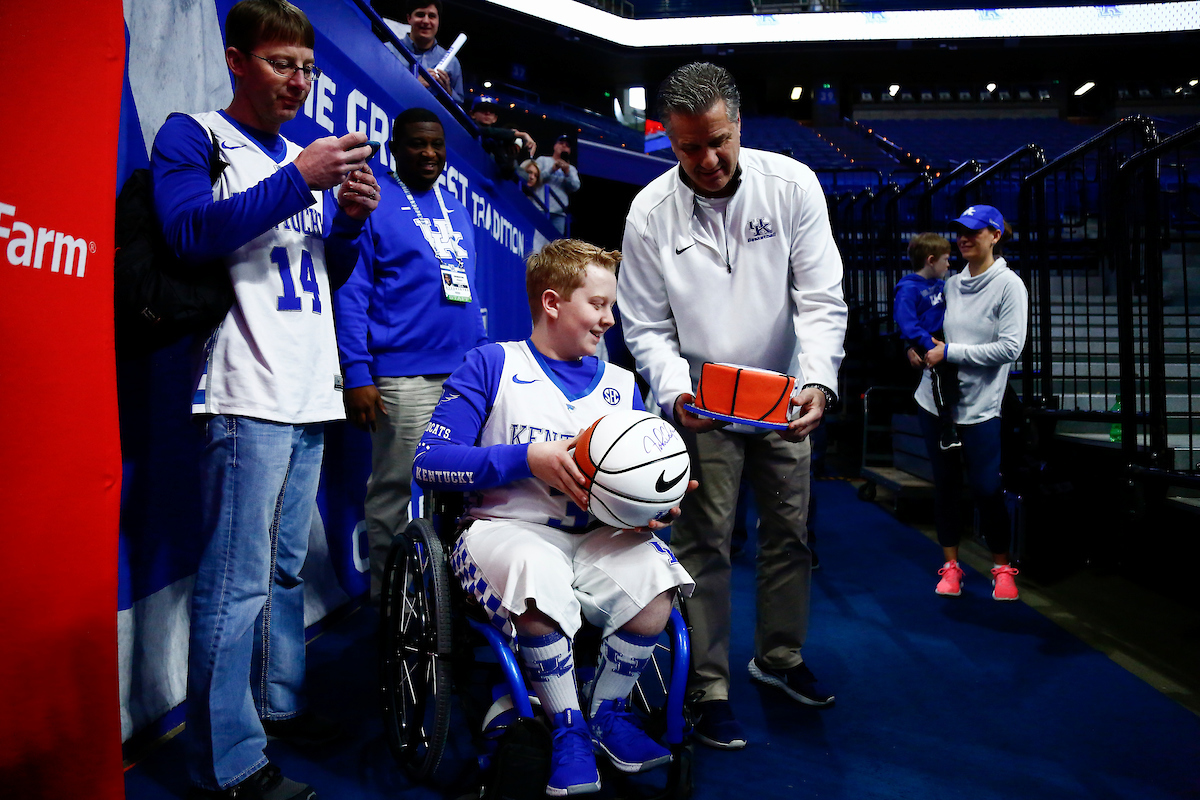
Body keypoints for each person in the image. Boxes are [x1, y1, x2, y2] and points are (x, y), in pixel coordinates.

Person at [150, 1, 380, 798]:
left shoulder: (301, 159)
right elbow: (185, 233)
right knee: (235, 583)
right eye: (283, 63)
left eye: (308, 68)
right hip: (245, 388)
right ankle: (228, 762)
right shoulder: (196, 133)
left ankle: (277, 706)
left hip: (306, 388)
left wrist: (345, 226)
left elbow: (319, 278)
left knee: (284, 573)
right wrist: (299, 180)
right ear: (237, 59)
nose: (299, 80)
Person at [616, 62, 847, 750]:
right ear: (670, 139)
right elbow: (646, 326)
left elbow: (820, 299)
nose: (708, 160)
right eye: (689, 147)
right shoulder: (648, 213)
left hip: (783, 394)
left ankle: (778, 657)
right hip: (702, 407)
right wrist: (673, 391)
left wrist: (819, 380)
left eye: (718, 140)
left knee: (790, 535)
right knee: (703, 544)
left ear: (738, 124)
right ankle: (709, 684)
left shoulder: (793, 185)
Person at [412, 240, 695, 796]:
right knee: (534, 575)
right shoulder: (491, 364)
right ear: (552, 302)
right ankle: (567, 726)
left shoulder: (621, 385)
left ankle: (607, 712)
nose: (609, 319)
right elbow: (429, 462)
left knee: (655, 586)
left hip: (595, 535)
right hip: (503, 530)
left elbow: (639, 478)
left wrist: (653, 505)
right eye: (597, 304)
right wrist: (527, 459)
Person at [334, 107, 487, 602]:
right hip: (403, 379)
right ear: (395, 148)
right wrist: (357, 373)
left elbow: (469, 293)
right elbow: (352, 293)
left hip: (462, 375)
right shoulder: (376, 202)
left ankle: (447, 602)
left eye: (437, 145)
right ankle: (390, 607)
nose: (428, 153)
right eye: (417, 144)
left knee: (462, 491)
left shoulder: (455, 208)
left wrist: (483, 360)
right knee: (394, 493)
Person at [921, 205, 1027, 601]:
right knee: (946, 488)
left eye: (974, 231)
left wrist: (949, 353)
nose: (964, 238)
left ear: (995, 235)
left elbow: (1010, 348)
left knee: (985, 488)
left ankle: (1002, 567)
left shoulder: (1009, 285)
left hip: (981, 406)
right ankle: (950, 566)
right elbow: (938, 336)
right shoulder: (951, 283)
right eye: (960, 232)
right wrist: (919, 350)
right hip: (938, 403)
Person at [895, 232, 962, 451]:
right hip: (930, 341)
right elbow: (907, 324)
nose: (949, 264)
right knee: (941, 376)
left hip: (947, 338)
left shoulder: (944, 285)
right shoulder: (908, 289)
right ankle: (947, 428)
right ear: (931, 260)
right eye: (945, 259)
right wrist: (928, 343)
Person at [397, 0, 464, 106]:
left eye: (432, 16)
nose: (426, 21)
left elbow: (459, 107)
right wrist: (413, 86)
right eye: (420, 15)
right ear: (409, 18)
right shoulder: (389, 50)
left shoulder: (452, 62)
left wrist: (448, 93)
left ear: (438, 21)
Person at [471, 95, 537, 179]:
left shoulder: (495, 142)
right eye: (483, 109)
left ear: (495, 118)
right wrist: (521, 134)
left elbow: (507, 174)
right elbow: (484, 131)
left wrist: (511, 157)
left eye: (491, 111)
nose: (487, 113)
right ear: (472, 114)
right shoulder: (466, 124)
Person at [535, 135, 581, 234]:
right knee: (537, 239)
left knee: (555, 246)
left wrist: (567, 172)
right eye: (561, 143)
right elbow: (534, 178)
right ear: (555, 146)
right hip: (540, 207)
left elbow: (575, 187)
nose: (563, 146)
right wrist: (553, 169)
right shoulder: (543, 160)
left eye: (567, 145)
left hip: (559, 213)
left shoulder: (571, 169)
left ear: (569, 150)